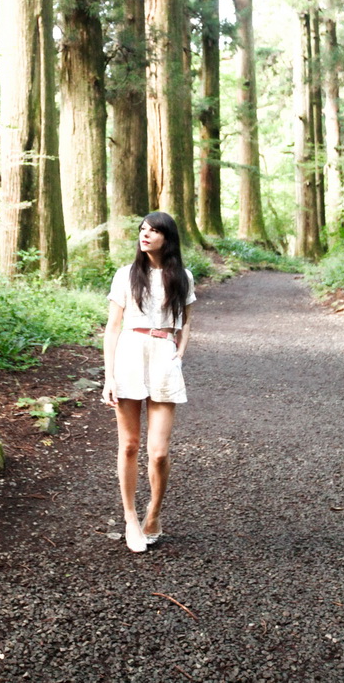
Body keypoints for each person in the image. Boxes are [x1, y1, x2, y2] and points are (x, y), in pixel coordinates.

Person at [102, 211, 196, 553]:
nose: (145, 235)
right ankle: (130, 518)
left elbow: (186, 322)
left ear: (166, 238)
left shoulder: (182, 276)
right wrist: (108, 376)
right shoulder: (126, 275)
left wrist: (179, 352)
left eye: (153, 230)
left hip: (163, 358)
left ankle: (153, 513)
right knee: (129, 445)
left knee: (158, 453)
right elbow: (113, 327)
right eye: (142, 229)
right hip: (129, 353)